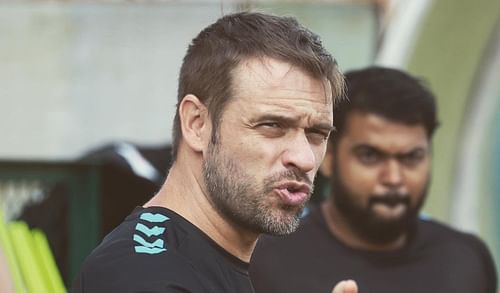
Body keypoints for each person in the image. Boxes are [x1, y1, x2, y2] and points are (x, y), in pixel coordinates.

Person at [72, 12, 358, 293]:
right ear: (197, 124)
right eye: (272, 125)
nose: (305, 158)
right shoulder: (144, 275)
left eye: (317, 134)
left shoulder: (202, 261)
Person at [250, 66, 498, 293]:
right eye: (370, 156)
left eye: (411, 157)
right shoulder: (263, 259)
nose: (393, 178)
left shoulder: (465, 259)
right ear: (329, 157)